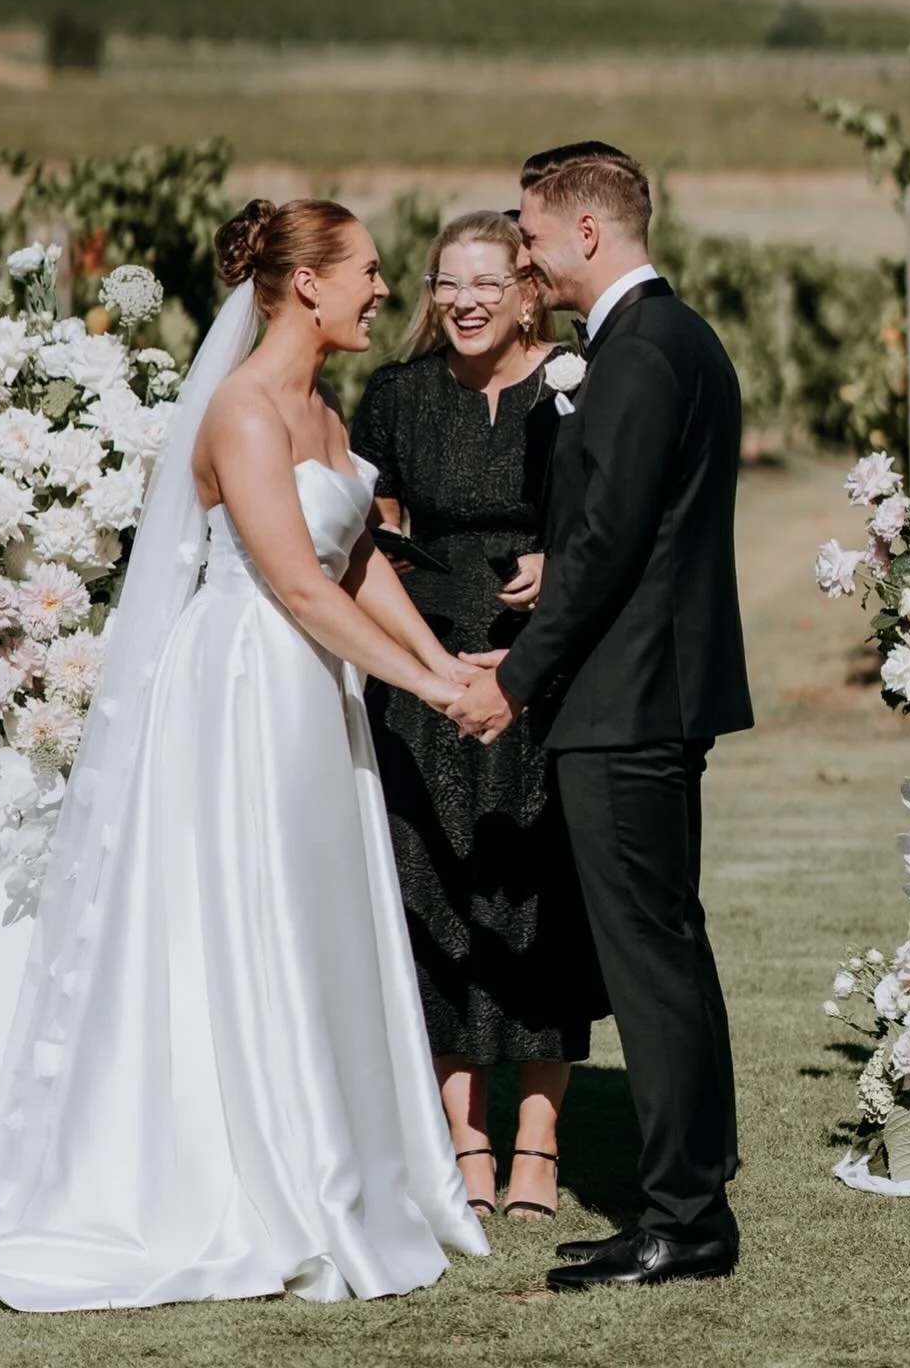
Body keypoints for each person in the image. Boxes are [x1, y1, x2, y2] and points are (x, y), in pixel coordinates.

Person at [0, 197, 488, 1335]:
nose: (383, 289)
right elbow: (298, 586)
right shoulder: (247, 414)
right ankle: (261, 1170)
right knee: (252, 911)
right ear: (306, 283)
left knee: (316, 914)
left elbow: (357, 559)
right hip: (249, 687)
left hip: (319, 695)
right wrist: (433, 690)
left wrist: (444, 666)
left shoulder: (319, 404)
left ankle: (344, 1158)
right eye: (368, 271)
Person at [450, 142, 752, 1294]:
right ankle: (694, 1185)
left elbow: (610, 545)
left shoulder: (636, 353)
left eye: (528, 235)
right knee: (667, 945)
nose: (522, 256)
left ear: (587, 232)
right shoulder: (670, 341)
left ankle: (684, 1218)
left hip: (627, 702)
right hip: (648, 691)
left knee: (648, 959)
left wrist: (516, 677)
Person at [351, 211, 606, 1225]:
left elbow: (617, 516)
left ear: (527, 291)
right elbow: (362, 540)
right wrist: (415, 647)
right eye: (444, 282)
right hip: (427, 675)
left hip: (548, 675)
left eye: (484, 284)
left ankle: (539, 1142)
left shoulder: (580, 383)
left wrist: (566, 569)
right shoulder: (397, 398)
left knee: (546, 898)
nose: (461, 301)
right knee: (439, 895)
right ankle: (465, 1136)